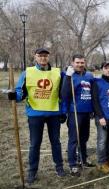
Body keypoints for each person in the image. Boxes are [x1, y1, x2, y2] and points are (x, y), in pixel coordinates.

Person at [8, 48, 66, 184]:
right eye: (40, 56)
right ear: (35, 57)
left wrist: (63, 112)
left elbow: (63, 94)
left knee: (56, 142)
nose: (43, 58)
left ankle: (59, 167)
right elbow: (20, 92)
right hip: (35, 114)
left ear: (49, 57)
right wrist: (14, 96)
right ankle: (32, 172)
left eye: (45, 56)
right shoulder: (27, 73)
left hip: (53, 113)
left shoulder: (58, 73)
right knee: (35, 144)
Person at [61, 54, 95, 176]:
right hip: (75, 112)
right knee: (74, 139)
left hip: (87, 112)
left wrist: (93, 110)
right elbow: (64, 95)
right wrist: (68, 77)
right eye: (77, 62)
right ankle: (72, 164)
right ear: (73, 62)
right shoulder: (69, 76)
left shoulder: (89, 76)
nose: (80, 65)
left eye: (82, 62)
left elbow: (93, 93)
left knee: (84, 138)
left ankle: (83, 159)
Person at [92, 62, 109, 174]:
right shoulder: (97, 82)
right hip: (103, 117)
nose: (108, 70)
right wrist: (100, 116)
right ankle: (101, 162)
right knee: (102, 140)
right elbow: (95, 101)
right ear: (102, 69)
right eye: (106, 68)